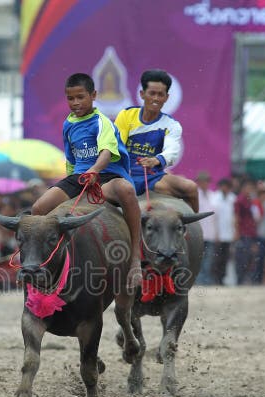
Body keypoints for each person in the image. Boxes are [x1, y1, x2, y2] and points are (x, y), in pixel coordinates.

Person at [31, 72, 141, 286]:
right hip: (79, 177)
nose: (75, 103)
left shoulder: (102, 122)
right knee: (38, 208)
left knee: (126, 190)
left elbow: (106, 153)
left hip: (106, 175)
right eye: (70, 98)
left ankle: (136, 258)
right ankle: (40, 263)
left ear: (93, 95)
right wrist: (73, 180)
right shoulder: (68, 124)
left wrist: (94, 172)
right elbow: (71, 160)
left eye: (80, 97)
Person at [114, 69, 199, 211]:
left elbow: (172, 151)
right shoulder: (126, 115)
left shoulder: (171, 125)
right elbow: (117, 147)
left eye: (161, 95)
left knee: (191, 188)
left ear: (166, 97)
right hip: (125, 175)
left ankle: (189, 227)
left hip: (153, 178)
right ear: (142, 94)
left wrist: (156, 160)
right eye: (152, 93)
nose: (156, 99)